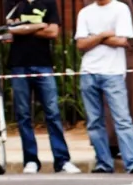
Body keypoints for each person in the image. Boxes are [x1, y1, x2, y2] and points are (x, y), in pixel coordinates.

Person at [75, 0, 133, 173]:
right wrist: (103, 35)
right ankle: (103, 163)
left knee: (122, 119)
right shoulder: (85, 12)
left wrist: (92, 37)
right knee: (94, 121)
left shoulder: (121, 9)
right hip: (88, 71)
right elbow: (80, 44)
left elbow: (122, 40)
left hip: (113, 72)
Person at [4, 0, 78, 173]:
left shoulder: (48, 2)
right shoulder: (13, 3)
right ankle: (31, 160)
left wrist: (26, 28)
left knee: (52, 113)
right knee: (23, 115)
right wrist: (39, 25)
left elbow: (53, 32)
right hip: (19, 64)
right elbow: (12, 30)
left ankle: (62, 160)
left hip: (43, 63)